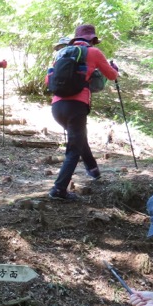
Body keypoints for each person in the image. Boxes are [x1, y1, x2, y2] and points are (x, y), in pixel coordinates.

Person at [48, 24, 118, 201]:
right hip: (76, 106)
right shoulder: (93, 52)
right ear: (92, 39)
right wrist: (114, 69)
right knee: (74, 148)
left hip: (57, 106)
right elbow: (111, 76)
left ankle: (93, 170)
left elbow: (48, 78)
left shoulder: (62, 53)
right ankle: (58, 189)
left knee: (78, 139)